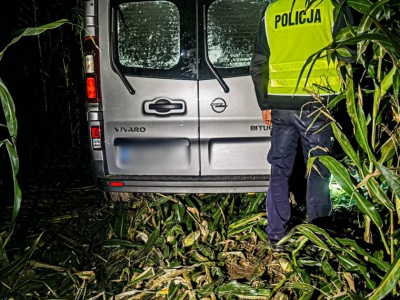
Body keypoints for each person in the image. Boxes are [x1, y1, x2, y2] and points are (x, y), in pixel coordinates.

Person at [250, 0, 353, 252]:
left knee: (279, 170)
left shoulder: (273, 10)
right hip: (319, 102)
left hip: (281, 104)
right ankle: (318, 239)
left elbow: (258, 63)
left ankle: (276, 236)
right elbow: (349, 53)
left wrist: (265, 103)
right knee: (319, 170)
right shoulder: (331, 5)